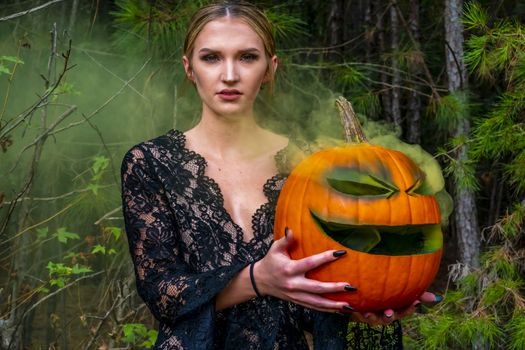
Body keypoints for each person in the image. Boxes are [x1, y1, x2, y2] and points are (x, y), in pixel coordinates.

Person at [121, 1, 440, 349]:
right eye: (211, 57)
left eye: (247, 57)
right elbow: (162, 294)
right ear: (189, 68)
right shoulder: (152, 162)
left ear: (270, 68)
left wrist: (362, 305)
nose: (229, 74)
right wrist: (259, 279)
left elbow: (317, 293)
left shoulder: (306, 166)